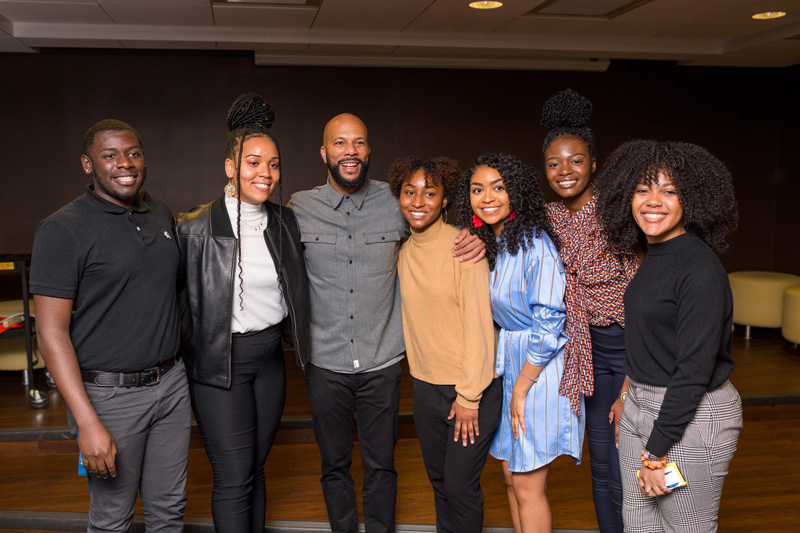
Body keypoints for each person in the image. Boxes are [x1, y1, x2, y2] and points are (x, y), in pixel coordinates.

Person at [288, 113, 484, 533]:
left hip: (382, 364)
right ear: (324, 153)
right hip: (325, 363)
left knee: (382, 466)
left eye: (358, 142)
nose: (350, 151)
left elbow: (434, 224)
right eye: (340, 143)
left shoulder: (395, 202)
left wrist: (478, 233)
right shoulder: (299, 208)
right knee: (333, 464)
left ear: (368, 150)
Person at [30, 120, 191, 532]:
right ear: (88, 165)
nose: (125, 163)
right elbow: (50, 333)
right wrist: (86, 422)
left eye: (133, 153)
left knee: (169, 511)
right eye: (110, 155)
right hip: (108, 398)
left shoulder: (159, 213)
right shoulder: (61, 229)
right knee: (112, 519)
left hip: (172, 386)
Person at [175, 93, 310, 532]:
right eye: (253, 163)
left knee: (254, 469)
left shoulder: (285, 222)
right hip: (219, 368)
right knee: (234, 477)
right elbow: (177, 307)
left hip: (270, 363)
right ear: (230, 167)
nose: (264, 173)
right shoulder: (193, 229)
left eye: (273, 164)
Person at [595, 140, 743, 532]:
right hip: (640, 406)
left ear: (691, 200)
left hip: (689, 416)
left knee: (686, 527)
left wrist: (656, 451)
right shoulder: (655, 253)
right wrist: (627, 397)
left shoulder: (700, 269)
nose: (653, 201)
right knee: (637, 522)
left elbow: (693, 371)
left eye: (669, 191)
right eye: (642, 189)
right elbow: (649, 341)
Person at [458, 153, 584, 533]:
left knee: (528, 486)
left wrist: (522, 387)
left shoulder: (534, 242)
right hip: (511, 366)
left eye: (498, 187)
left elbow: (550, 323)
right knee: (512, 478)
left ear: (516, 192)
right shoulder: (494, 242)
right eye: (477, 189)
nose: (487, 197)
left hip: (539, 371)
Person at [540, 89, 638, 533]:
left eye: (576, 161)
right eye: (554, 164)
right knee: (600, 462)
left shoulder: (621, 215)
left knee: (629, 462)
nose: (565, 171)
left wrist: (633, 380)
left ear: (594, 164)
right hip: (587, 351)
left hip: (634, 349)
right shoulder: (548, 218)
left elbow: (643, 295)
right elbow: (493, 217)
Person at [388, 156, 502, 533]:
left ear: (445, 199)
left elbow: (481, 328)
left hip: (470, 389)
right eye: (410, 192)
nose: (418, 201)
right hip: (425, 389)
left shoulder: (463, 248)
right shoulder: (402, 253)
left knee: (460, 488)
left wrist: (468, 397)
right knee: (439, 485)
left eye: (430, 192)